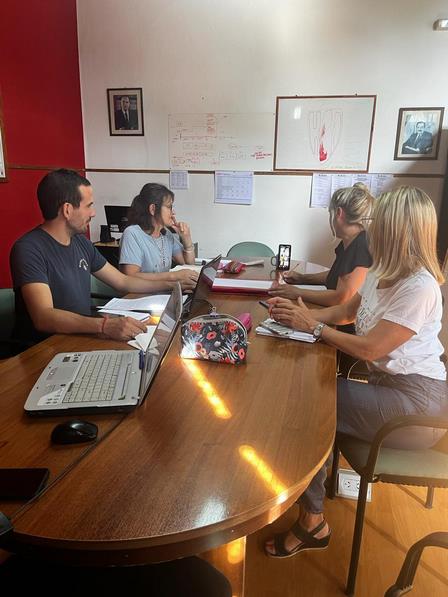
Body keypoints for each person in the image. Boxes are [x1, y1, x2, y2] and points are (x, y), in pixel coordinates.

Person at [264, 186, 448, 559]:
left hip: (417, 405)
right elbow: (346, 312)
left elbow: (370, 348)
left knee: (312, 406)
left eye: (378, 223)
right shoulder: (383, 271)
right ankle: (309, 502)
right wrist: (296, 317)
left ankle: (313, 522)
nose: (370, 228)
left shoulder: (420, 287)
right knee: (314, 394)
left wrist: (312, 326)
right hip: (389, 388)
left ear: (398, 231)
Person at [9, 169, 190, 345]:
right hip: (44, 348)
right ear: (67, 210)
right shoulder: (29, 249)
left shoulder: (81, 242)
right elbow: (44, 317)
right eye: (89, 206)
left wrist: (173, 285)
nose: (93, 213)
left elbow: (122, 281)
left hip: (81, 336)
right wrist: (103, 326)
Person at [269, 183, 373, 375]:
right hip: (334, 320)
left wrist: (297, 293)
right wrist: (301, 278)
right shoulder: (350, 241)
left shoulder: (361, 246)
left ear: (338, 213)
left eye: (330, 213)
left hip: (345, 331)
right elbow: (336, 275)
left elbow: (341, 297)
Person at [119, 183, 198, 289]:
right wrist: (172, 276)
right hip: (138, 295)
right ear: (153, 209)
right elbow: (131, 276)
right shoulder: (132, 233)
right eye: (169, 207)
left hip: (163, 293)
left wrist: (186, 239)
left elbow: (188, 265)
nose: (173, 212)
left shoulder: (166, 234)